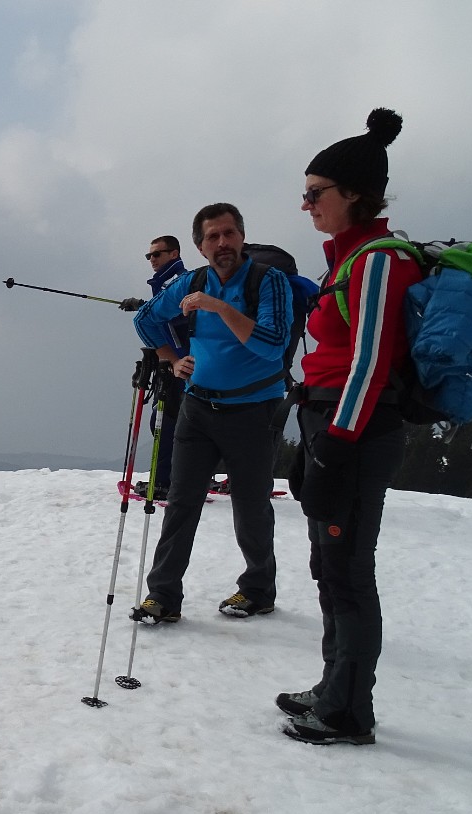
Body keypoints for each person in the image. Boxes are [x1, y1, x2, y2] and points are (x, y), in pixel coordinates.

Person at [280, 109, 419, 746]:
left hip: (355, 433)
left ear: (354, 195)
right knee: (328, 563)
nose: (306, 204)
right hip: (328, 423)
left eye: (316, 193)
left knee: (348, 569)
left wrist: (336, 441)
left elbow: (370, 360)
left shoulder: (380, 260)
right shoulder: (347, 260)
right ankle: (333, 685)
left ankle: (348, 711)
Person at [129, 203, 293, 623]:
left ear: (241, 237)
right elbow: (146, 320)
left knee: (251, 505)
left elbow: (272, 345)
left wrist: (218, 307)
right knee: (182, 502)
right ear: (201, 247)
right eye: (212, 237)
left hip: (254, 410)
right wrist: (170, 359)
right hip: (199, 406)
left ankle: (258, 590)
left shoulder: (268, 282)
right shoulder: (193, 283)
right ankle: (162, 598)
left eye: (229, 234)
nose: (222, 243)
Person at [121, 236, 189, 499]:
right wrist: (146, 306)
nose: (152, 260)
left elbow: (175, 317)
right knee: (171, 421)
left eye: (157, 255)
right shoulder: (166, 284)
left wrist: (146, 309)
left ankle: (163, 482)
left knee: (165, 421)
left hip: (181, 364)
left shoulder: (177, 282)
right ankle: (179, 478)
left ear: (174, 254)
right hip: (180, 362)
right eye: (149, 256)